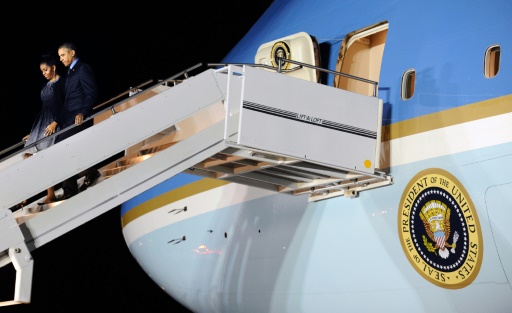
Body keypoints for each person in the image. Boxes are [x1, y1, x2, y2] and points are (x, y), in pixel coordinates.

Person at [56, 42, 101, 200]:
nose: (61, 59)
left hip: (79, 118)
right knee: (60, 149)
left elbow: (91, 92)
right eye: (59, 56)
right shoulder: (70, 72)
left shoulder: (83, 68)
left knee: (62, 147)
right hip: (69, 120)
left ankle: (80, 180)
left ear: (72, 52)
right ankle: (73, 185)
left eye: (63, 55)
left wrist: (83, 112)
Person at [22, 54, 65, 205]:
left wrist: (56, 122)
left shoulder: (61, 83)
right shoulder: (44, 86)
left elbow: (63, 105)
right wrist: (33, 132)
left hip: (53, 122)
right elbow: (44, 108)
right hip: (42, 122)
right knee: (27, 155)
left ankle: (50, 193)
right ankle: (29, 192)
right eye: (42, 71)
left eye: (46, 70)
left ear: (53, 67)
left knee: (44, 157)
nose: (44, 73)